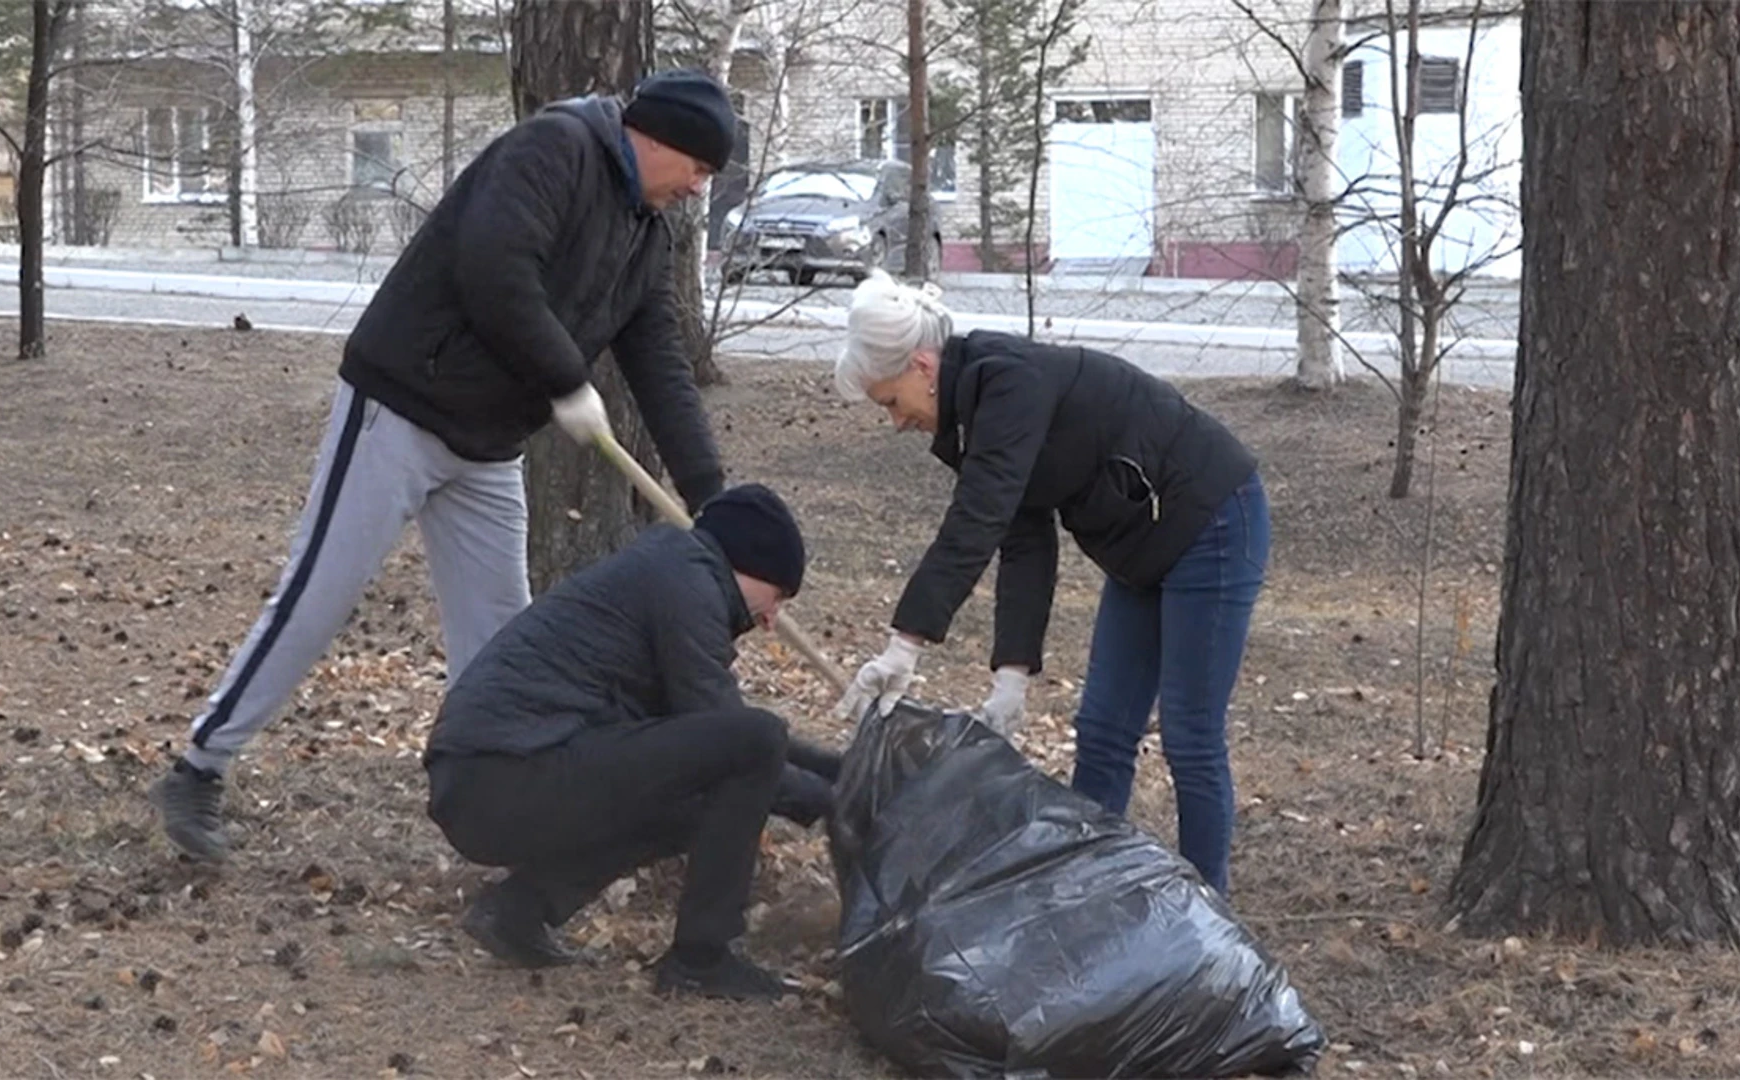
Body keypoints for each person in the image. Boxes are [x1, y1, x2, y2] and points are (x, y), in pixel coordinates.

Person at [149, 69, 742, 862]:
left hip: (492, 444)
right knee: (318, 598)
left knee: (503, 646)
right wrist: (567, 379)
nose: (698, 190)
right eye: (698, 170)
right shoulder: (554, 149)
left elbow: (661, 363)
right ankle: (199, 768)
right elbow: (494, 270)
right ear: (658, 140)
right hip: (400, 406)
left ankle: (502, 810)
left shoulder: (646, 233)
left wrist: (713, 503)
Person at [830, 270, 1270, 896]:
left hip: (1213, 522)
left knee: (1190, 734)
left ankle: (1209, 914)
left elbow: (975, 521)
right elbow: (1021, 537)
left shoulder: (1009, 381)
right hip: (1140, 547)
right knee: (1103, 731)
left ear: (923, 366)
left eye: (891, 402)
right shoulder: (973, 413)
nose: (896, 421)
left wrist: (906, 644)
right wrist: (1011, 675)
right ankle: (1081, 894)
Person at [423, 484, 832, 1001]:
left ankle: (517, 911)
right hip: (506, 771)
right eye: (777, 596)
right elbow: (740, 736)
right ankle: (702, 959)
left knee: (699, 797)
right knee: (754, 741)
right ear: (748, 564)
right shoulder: (685, 583)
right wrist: (835, 803)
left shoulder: (673, 571)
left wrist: (841, 769)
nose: (772, 619)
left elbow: (716, 738)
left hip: (487, 780)